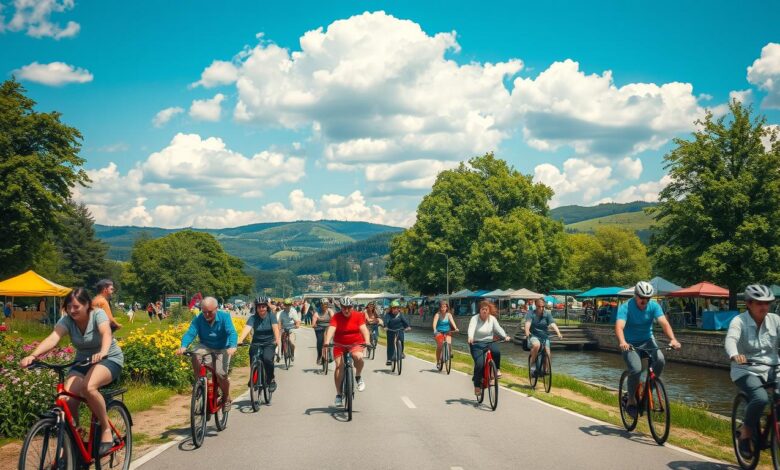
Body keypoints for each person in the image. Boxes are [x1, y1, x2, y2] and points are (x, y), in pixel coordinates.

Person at [20, 288, 124, 455]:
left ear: (87, 305)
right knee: (65, 398)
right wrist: (33, 355)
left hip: (108, 358)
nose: (72, 310)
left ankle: (105, 429)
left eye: (76, 306)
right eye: (69, 307)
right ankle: (75, 436)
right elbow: (54, 337)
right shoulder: (67, 320)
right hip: (83, 361)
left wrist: (103, 351)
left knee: (88, 388)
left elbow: (106, 334)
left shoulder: (98, 314)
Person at [726, 284, 780, 458]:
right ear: (749, 304)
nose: (764, 307)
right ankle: (746, 432)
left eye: (767, 303)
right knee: (760, 398)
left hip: (772, 367)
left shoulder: (775, 320)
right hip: (746, 369)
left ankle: (773, 427)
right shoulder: (739, 321)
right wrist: (735, 354)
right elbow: (731, 340)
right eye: (759, 303)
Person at [615, 281, 681, 418]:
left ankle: (648, 388)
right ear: (635, 295)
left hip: (647, 340)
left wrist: (673, 339)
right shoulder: (626, 307)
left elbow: (664, 323)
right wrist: (622, 342)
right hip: (630, 343)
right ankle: (631, 399)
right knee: (636, 368)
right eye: (641, 297)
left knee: (661, 360)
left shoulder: (654, 306)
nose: (644, 301)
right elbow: (619, 327)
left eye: (647, 298)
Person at [176, 297, 237, 410]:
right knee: (195, 354)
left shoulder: (224, 316)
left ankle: (226, 396)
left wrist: (233, 346)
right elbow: (191, 332)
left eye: (210, 312)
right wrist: (183, 346)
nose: (207, 315)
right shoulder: (199, 318)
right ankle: (199, 383)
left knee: (221, 374)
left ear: (216, 309)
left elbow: (231, 332)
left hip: (222, 347)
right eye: (204, 312)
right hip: (206, 346)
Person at [322, 298, 370, 407]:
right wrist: (327, 341)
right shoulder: (336, 317)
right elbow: (331, 329)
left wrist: (367, 341)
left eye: (349, 308)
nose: (346, 310)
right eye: (344, 308)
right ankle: (339, 394)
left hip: (355, 343)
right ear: (341, 307)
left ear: (352, 307)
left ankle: (358, 376)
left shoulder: (358, 316)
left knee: (358, 357)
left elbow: (364, 329)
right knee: (339, 366)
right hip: (339, 344)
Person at [467, 301, 511, 396]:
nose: (484, 311)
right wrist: (470, 337)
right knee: (479, 364)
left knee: (496, 352)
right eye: (483, 309)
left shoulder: (492, 319)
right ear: (480, 310)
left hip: (489, 342)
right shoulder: (475, 318)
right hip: (476, 344)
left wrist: (505, 336)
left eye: (486, 310)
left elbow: (498, 328)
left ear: (489, 311)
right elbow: (471, 328)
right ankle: (477, 386)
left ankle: (496, 370)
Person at [237, 297, 280, 392]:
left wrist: (277, 340)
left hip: (269, 343)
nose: (261, 309)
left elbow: (275, 328)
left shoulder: (271, 316)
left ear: (267, 307)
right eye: (259, 307)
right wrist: (240, 339)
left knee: (267, 359)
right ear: (256, 308)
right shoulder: (253, 318)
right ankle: (253, 377)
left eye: (263, 306)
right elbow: (247, 328)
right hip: (256, 342)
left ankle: (271, 379)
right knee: (253, 358)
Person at [525, 298, 563, 377]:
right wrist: (527, 331)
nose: (541, 308)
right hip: (534, 335)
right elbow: (528, 323)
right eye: (539, 306)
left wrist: (558, 333)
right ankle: (532, 366)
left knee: (548, 352)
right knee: (536, 345)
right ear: (536, 306)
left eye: (543, 306)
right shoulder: (531, 313)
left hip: (544, 336)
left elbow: (552, 324)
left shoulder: (547, 314)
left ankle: (545, 369)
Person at [383, 300, 411, 366]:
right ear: (391, 308)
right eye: (394, 308)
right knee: (390, 344)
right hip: (390, 330)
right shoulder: (388, 315)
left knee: (401, 340)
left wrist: (408, 327)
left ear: (399, 308)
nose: (395, 309)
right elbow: (386, 321)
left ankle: (401, 352)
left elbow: (405, 322)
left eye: (397, 308)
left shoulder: (400, 314)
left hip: (399, 329)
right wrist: (385, 327)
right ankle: (389, 359)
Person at [432, 300, 459, 367]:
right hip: (439, 332)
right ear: (440, 308)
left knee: (449, 343)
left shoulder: (449, 315)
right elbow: (434, 323)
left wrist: (456, 328)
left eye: (445, 307)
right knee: (440, 346)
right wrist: (435, 330)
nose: (443, 308)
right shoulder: (437, 315)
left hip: (447, 332)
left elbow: (452, 322)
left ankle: (449, 353)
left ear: (447, 307)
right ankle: (438, 362)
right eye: (442, 307)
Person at [312, 298, 334, 364]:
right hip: (319, 327)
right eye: (323, 305)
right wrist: (314, 325)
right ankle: (319, 355)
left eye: (326, 305)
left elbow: (334, 319)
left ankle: (330, 355)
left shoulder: (330, 311)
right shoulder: (317, 312)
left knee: (330, 341)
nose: (325, 306)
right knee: (319, 342)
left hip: (328, 327)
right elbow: (313, 322)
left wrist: (333, 325)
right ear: (320, 305)